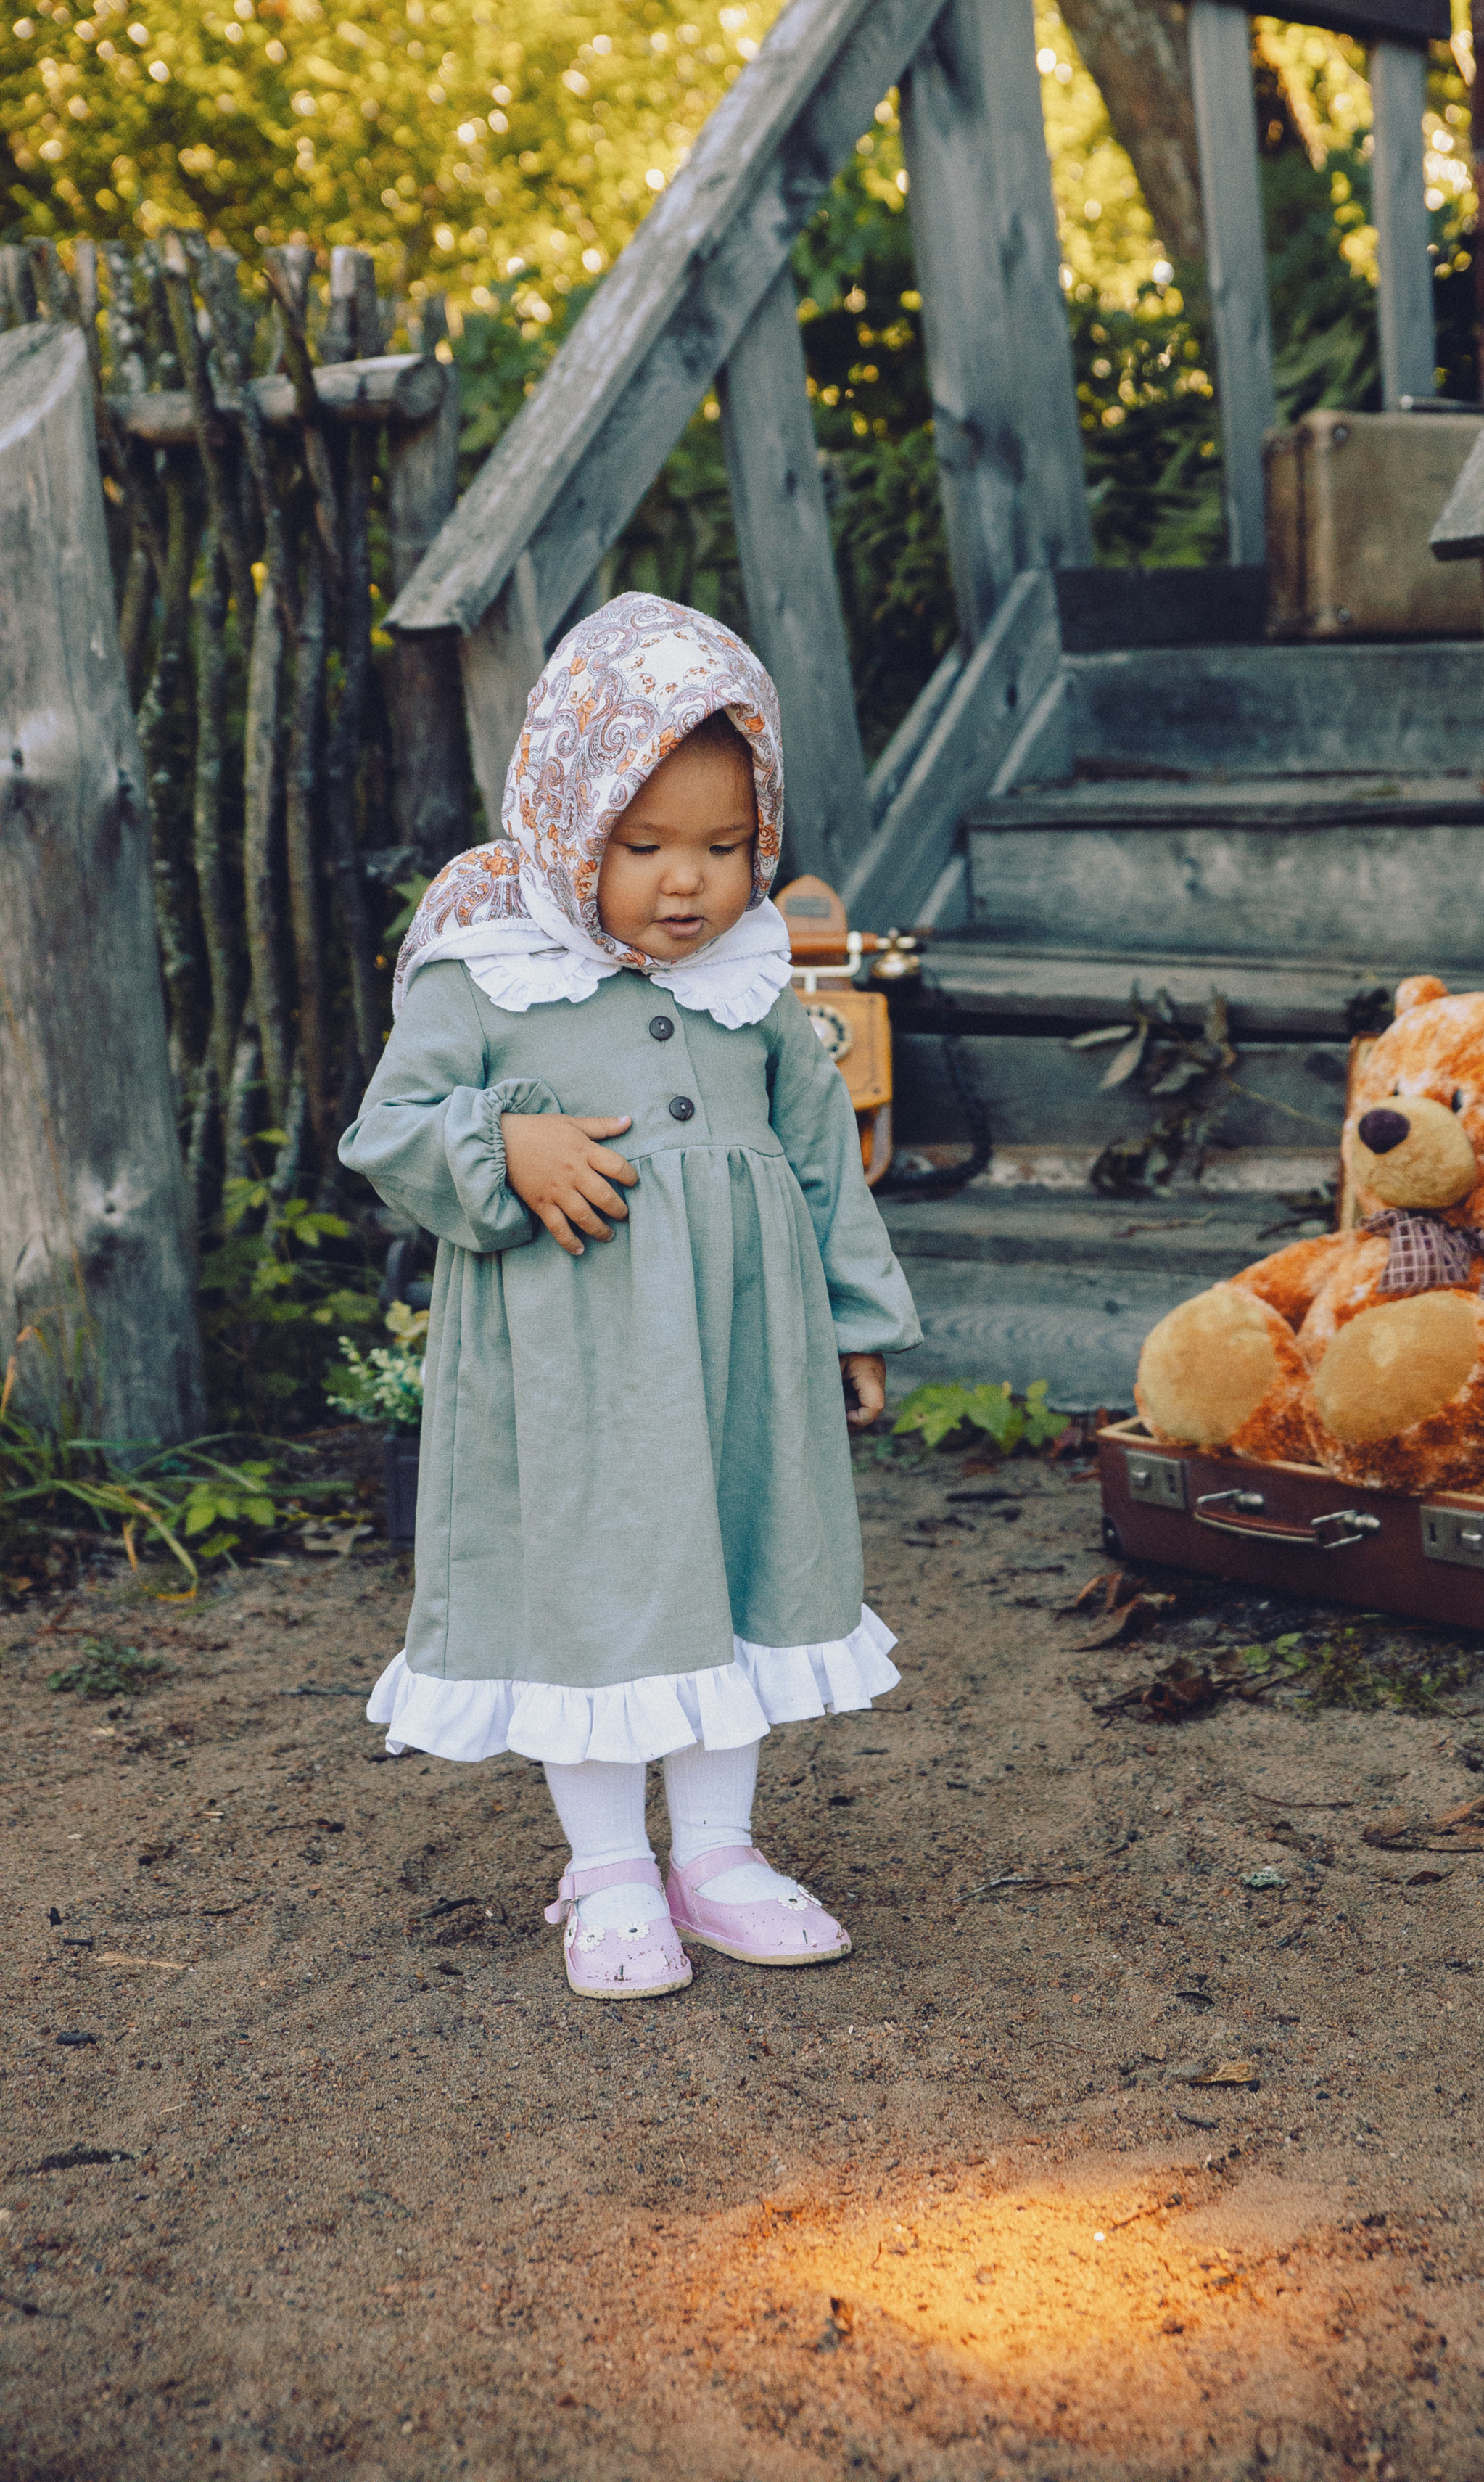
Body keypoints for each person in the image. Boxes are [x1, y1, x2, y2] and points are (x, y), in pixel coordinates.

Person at [339, 593, 921, 2002]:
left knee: (736, 1573)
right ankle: (605, 1865)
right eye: (645, 844)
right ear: (563, 818)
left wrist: (853, 1318)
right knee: (600, 1600)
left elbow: (817, 1154)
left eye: (725, 848)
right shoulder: (487, 974)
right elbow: (390, 1133)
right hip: (575, 1376)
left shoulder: (751, 981)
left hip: (739, 1357)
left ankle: (714, 1852)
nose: (687, 883)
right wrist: (500, 1145)